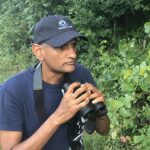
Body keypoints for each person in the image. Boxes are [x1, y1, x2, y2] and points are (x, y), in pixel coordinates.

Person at [0, 15, 110, 150]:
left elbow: (104, 130)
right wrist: (58, 116)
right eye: (62, 47)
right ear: (39, 51)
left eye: (73, 45)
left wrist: (100, 111)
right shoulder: (12, 90)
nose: (73, 54)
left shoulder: (81, 74)